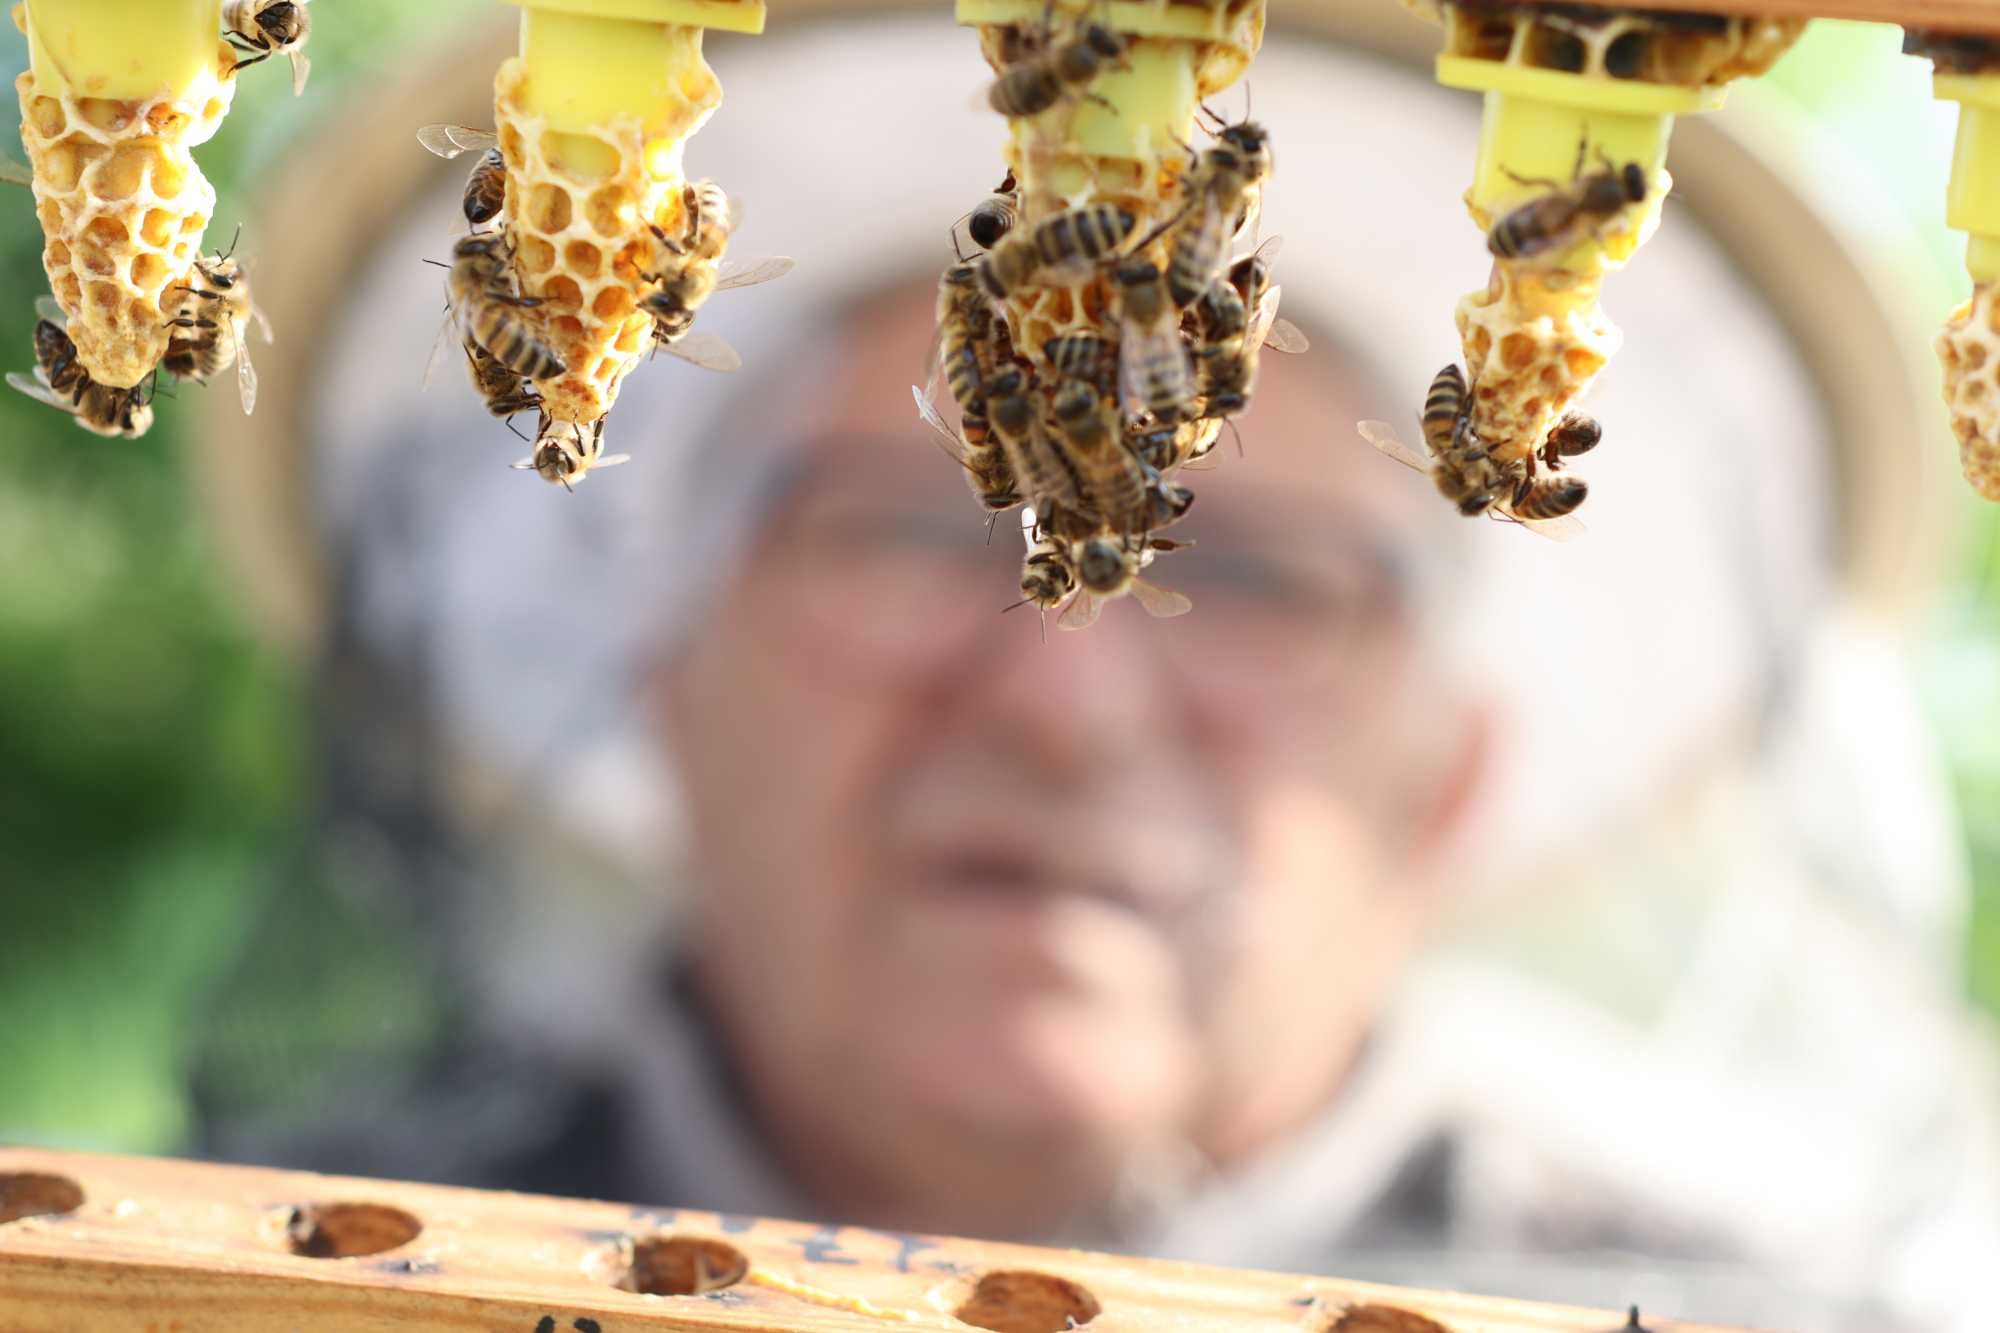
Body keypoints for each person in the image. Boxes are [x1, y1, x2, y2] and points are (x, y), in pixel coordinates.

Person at [187, 8, 1999, 1331]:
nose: (1065, 698)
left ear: (1444, 779)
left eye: (1270, 580)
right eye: (906, 529)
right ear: (664, 672)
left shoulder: (1769, 1299)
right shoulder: (243, 1268)